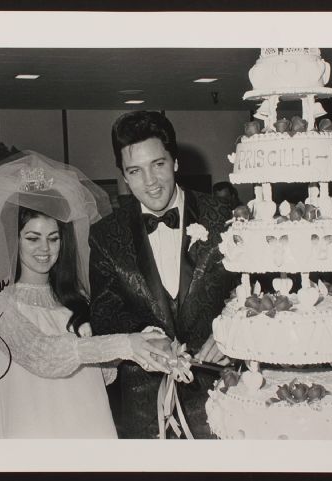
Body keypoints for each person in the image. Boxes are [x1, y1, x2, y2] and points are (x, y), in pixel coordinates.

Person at [0, 151, 171, 439]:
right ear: (13, 240)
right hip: (32, 425)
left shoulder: (78, 297)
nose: (45, 249)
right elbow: (44, 355)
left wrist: (145, 339)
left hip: (86, 420)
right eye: (32, 238)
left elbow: (102, 373)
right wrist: (127, 344)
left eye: (53, 238)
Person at [89, 111, 239, 438]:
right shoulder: (105, 236)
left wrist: (234, 332)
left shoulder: (225, 218)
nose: (150, 182)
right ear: (124, 177)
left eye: (157, 164)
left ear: (175, 163)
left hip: (221, 399)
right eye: (135, 171)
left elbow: (255, 293)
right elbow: (104, 316)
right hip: (142, 408)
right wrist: (146, 335)